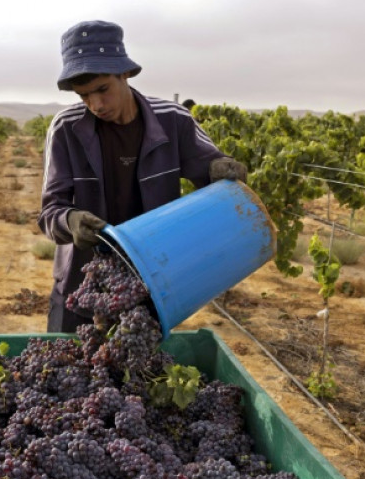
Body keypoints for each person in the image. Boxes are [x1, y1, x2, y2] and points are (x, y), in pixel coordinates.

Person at [38, 20, 247, 333]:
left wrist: (221, 168)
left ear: (125, 73)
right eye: (84, 96)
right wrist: (70, 221)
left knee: (141, 375)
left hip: (153, 284)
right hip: (81, 288)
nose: (96, 104)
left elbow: (213, 170)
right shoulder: (66, 128)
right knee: (66, 373)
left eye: (102, 90)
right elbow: (50, 211)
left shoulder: (174, 120)